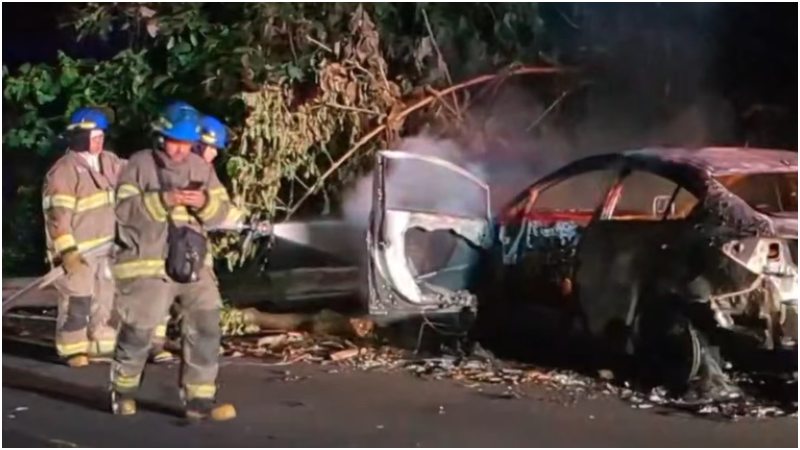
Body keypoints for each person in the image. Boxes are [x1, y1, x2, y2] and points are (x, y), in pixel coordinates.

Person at [110, 112, 244, 420]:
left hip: (194, 266)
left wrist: (204, 204)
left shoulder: (201, 168)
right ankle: (124, 392)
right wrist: (163, 200)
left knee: (206, 327)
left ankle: (199, 401)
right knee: (139, 333)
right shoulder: (138, 165)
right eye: (175, 143)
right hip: (147, 265)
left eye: (188, 144)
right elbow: (123, 212)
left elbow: (223, 212)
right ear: (160, 137)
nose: (182, 150)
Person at [42, 107, 124, 367]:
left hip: (107, 247)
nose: (100, 141)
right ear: (79, 137)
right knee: (78, 299)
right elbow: (58, 217)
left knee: (105, 297)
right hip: (77, 251)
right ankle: (72, 348)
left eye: (102, 136)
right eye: (94, 136)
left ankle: (101, 343)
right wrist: (67, 252)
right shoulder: (64, 172)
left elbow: (136, 175)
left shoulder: (109, 162)